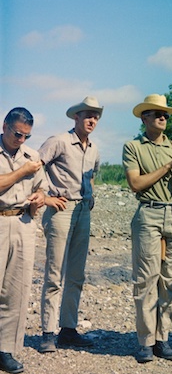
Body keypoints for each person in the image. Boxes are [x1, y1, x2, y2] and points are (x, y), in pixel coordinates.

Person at [122, 94, 172, 364]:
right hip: (149, 213)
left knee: (169, 280)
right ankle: (145, 341)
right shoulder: (133, 147)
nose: (162, 117)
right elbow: (135, 184)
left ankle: (162, 338)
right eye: (156, 113)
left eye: (164, 113)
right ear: (144, 118)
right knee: (145, 279)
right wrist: (169, 166)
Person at [37, 96, 103, 353]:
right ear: (75, 117)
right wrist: (46, 197)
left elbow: (93, 174)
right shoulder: (59, 141)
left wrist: (91, 197)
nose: (92, 120)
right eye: (87, 115)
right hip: (61, 210)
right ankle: (47, 333)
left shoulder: (94, 148)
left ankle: (68, 330)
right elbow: (36, 167)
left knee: (76, 274)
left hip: (83, 211)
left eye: (95, 116)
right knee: (54, 274)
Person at [0, 107, 48, 374]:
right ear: (5, 125)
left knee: (16, 291)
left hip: (23, 223)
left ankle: (6, 349)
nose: (21, 140)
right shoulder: (25, 162)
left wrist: (40, 197)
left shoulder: (33, 156)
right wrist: (21, 172)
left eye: (27, 136)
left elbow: (42, 186)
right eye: (17, 134)